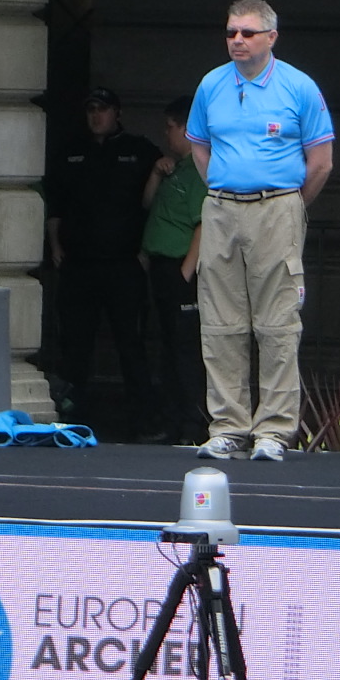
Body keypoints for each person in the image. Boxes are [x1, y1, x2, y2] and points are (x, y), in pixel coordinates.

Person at [185, 0, 334, 462]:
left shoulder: (299, 86)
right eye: (231, 32)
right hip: (222, 207)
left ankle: (273, 430)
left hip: (277, 206)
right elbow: (199, 148)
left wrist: (289, 204)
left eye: (248, 33)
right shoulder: (211, 84)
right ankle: (228, 427)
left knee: (277, 323)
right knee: (220, 322)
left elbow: (321, 162)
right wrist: (225, 187)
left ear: (271, 37)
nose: (237, 40)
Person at [46, 88, 163, 440]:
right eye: (91, 110)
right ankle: (71, 419)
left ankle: (143, 423)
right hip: (79, 264)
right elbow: (56, 204)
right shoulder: (71, 151)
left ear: (118, 113)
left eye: (103, 109)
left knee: (131, 344)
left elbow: (160, 204)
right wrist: (55, 245)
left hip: (123, 265)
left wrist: (146, 252)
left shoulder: (140, 151)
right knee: (75, 345)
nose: (96, 116)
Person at [141, 96, 206, 446]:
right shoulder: (176, 168)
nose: (165, 134)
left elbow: (203, 224)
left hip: (181, 271)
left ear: (187, 128)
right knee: (166, 348)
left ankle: (192, 425)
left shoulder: (198, 170)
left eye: (170, 127)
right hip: (162, 269)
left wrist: (185, 273)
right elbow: (147, 204)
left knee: (184, 351)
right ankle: (172, 421)